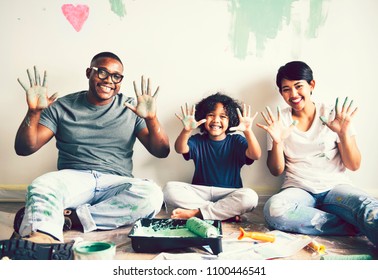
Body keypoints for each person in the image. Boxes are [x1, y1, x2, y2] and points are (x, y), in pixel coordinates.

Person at [0, 52, 170, 259]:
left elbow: (161, 152)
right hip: (74, 177)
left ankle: (69, 218)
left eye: (116, 76)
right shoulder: (62, 106)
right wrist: (34, 113)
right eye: (102, 72)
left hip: (116, 181)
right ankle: (43, 240)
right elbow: (25, 148)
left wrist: (152, 119)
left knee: (152, 195)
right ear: (89, 72)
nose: (109, 80)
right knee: (41, 185)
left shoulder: (131, 108)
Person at [257, 61, 378, 247]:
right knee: (274, 210)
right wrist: (277, 141)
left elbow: (353, 165)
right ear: (281, 93)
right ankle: (353, 226)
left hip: (335, 188)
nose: (294, 94)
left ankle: (357, 220)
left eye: (298, 86)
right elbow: (276, 170)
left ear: (311, 85)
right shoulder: (278, 121)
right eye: (286, 89)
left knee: (370, 209)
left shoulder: (333, 115)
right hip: (299, 189)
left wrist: (343, 134)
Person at [163, 93, 261, 221]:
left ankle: (197, 213)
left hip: (229, 193)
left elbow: (256, 155)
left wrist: (248, 131)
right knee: (169, 189)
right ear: (203, 118)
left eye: (223, 116)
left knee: (250, 197)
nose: (216, 120)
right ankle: (223, 213)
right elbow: (180, 148)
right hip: (200, 192)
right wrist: (186, 130)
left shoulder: (236, 141)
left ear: (230, 120)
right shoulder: (198, 140)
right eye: (211, 115)